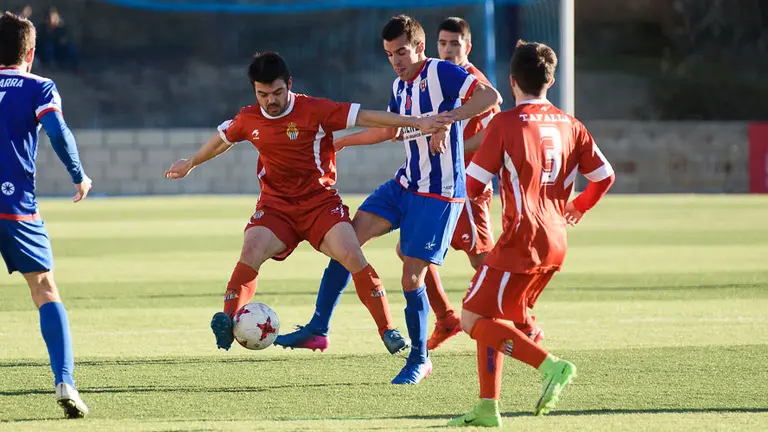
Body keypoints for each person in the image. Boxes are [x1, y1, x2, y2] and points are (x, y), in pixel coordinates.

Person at [164, 51, 451, 356]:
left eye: (277, 92)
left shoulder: (314, 110)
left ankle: (387, 330)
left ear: (289, 84)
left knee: (351, 254)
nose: (271, 100)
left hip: (320, 204)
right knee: (250, 250)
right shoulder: (249, 117)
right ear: (255, 91)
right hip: (276, 207)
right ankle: (228, 319)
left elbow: (365, 116)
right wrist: (192, 162)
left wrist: (417, 122)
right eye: (263, 94)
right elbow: (223, 138)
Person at [276, 15, 501, 385]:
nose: (396, 60)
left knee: (412, 277)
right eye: (389, 54)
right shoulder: (400, 86)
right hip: (404, 185)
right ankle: (318, 328)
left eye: (401, 52)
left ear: (419, 48)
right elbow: (388, 129)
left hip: (439, 194)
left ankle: (420, 358)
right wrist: (343, 140)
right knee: (345, 242)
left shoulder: (442, 73)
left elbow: (491, 96)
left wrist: (449, 121)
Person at [447, 40, 615, 427]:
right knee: (497, 319)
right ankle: (487, 408)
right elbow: (604, 177)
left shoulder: (504, 124)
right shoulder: (571, 124)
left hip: (521, 240)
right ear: (551, 81)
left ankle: (550, 366)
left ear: (511, 82)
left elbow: (471, 185)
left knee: (472, 319)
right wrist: (578, 206)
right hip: (555, 241)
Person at [0, 11, 91, 419]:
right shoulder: (39, 86)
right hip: (16, 207)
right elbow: (56, 131)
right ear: (31, 52)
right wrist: (79, 175)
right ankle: (65, 381)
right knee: (44, 289)